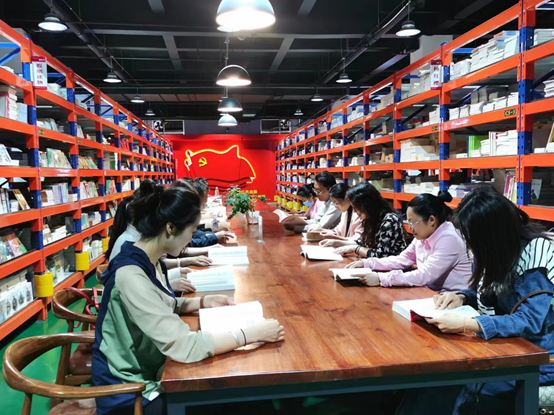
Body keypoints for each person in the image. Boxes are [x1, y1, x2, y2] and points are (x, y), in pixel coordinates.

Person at [92, 185, 285, 415]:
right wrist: (251, 334)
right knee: (246, 399)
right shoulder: (131, 275)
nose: (192, 238)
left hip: (152, 371)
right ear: (170, 227)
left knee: (249, 398)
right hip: (131, 394)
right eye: (192, 231)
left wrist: (203, 302)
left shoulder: (146, 259)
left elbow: (163, 303)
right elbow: (184, 346)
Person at [398, 186, 554, 415]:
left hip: (536, 355)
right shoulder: (495, 251)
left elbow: (529, 321)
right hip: (502, 345)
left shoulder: (535, 255)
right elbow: (485, 293)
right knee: (433, 379)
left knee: (462, 385)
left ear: (491, 234)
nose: (470, 246)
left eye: (472, 239)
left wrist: (467, 324)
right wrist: (462, 297)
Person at [346, 191, 472, 292]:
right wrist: (368, 263)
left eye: (413, 223)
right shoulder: (423, 235)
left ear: (431, 220)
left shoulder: (449, 238)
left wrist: (381, 278)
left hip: (453, 299)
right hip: (431, 292)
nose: (411, 229)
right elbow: (403, 259)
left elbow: (425, 274)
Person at [107, 180, 205, 293]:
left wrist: (176, 273)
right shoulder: (134, 247)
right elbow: (142, 285)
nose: (191, 238)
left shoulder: (140, 243)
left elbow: (153, 277)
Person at [322, 183, 406, 259]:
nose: (355, 211)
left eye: (356, 207)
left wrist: (355, 249)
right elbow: (362, 242)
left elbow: (381, 254)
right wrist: (337, 243)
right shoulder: (370, 219)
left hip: (392, 267)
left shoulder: (389, 220)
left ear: (367, 205)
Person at [173, 178, 235, 246]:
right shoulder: (175, 217)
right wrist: (212, 237)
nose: (200, 209)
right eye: (200, 205)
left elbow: (193, 233)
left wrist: (212, 235)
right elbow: (186, 245)